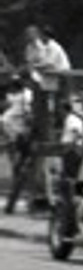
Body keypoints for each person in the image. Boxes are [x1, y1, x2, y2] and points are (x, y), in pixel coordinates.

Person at [3, 74, 34, 215]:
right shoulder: (18, 97)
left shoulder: (26, 96)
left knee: (21, 173)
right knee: (19, 172)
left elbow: (28, 113)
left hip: (22, 137)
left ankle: (14, 204)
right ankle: (14, 203)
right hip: (17, 137)